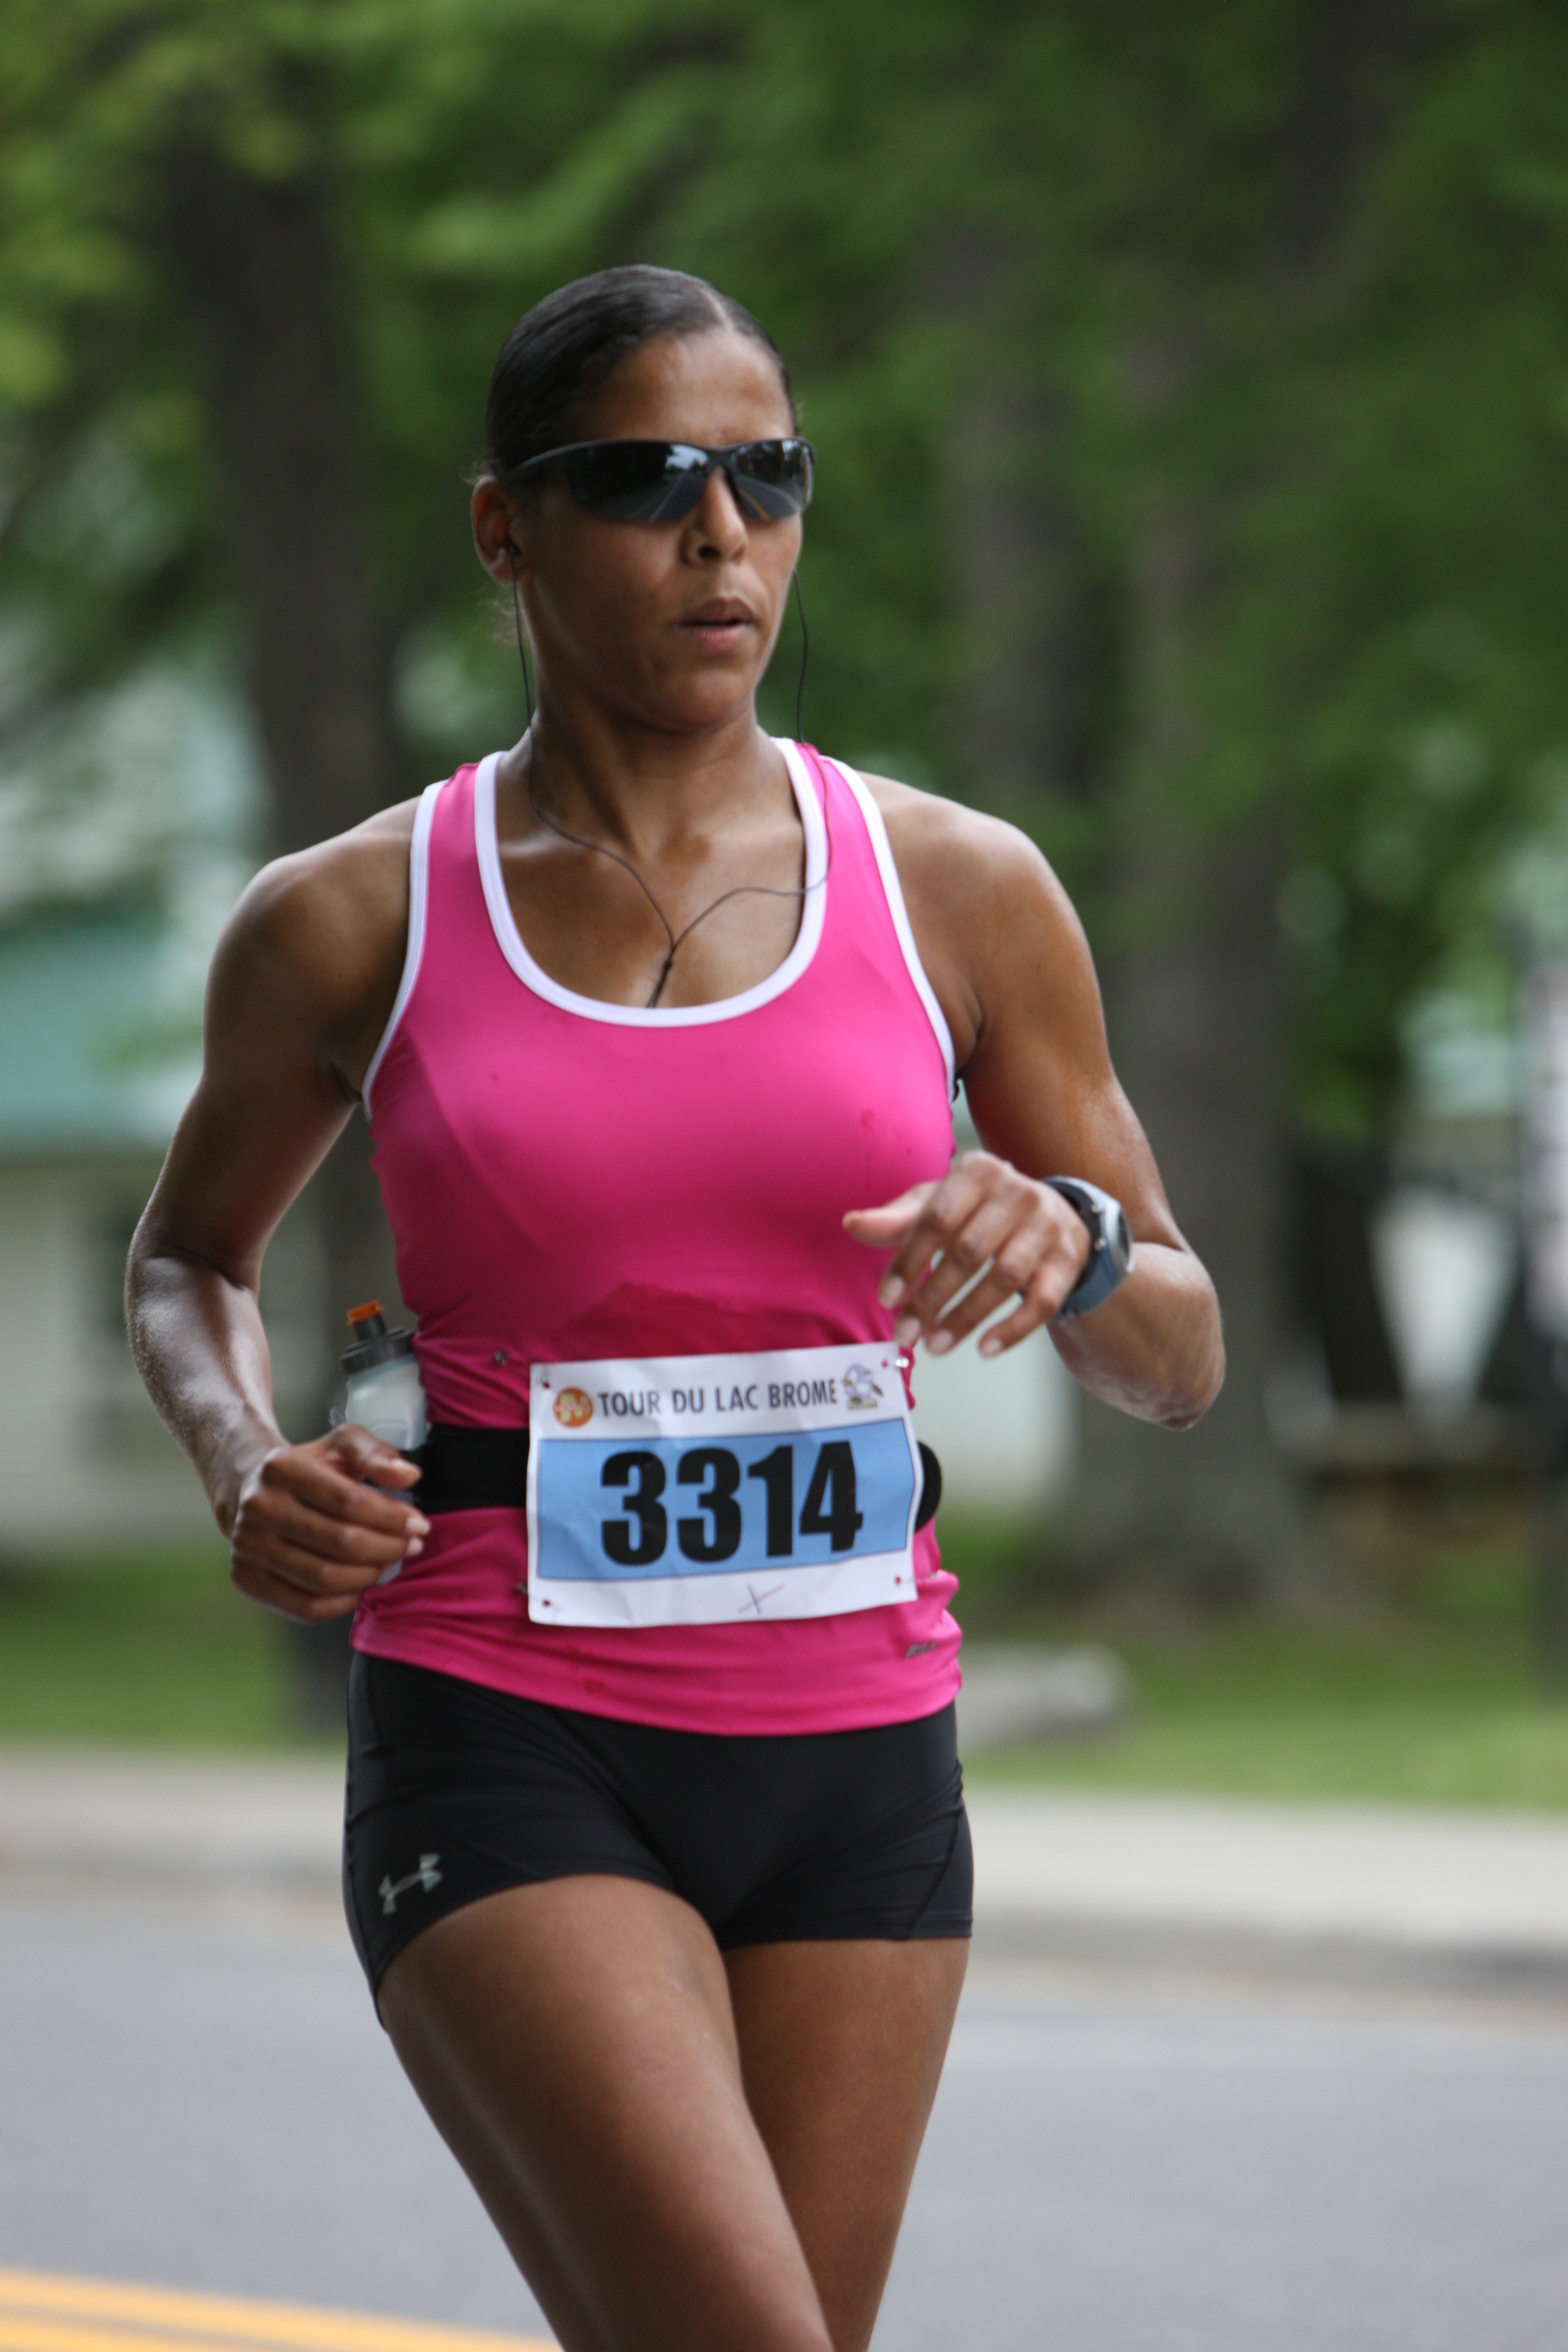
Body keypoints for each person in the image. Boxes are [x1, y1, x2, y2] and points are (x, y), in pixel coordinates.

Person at [128, 264, 1222, 2352]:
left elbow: (1180, 1350)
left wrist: (1072, 1231)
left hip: (864, 1755)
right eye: (646, 480)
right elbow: (188, 1257)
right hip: (509, 1732)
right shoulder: (355, 915)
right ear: (504, 529)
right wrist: (239, 1454)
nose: (724, 534)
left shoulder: (960, 887)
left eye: (767, 475)